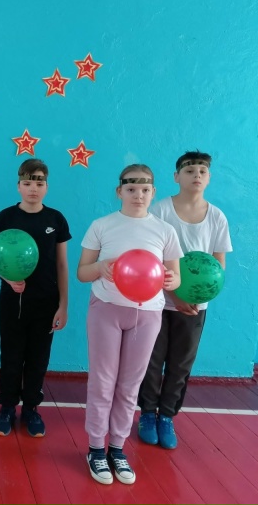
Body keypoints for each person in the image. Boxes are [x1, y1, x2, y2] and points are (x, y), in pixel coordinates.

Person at [77, 164, 183, 486]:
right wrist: (100, 267)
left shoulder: (165, 231)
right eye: (132, 188)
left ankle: (117, 447)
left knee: (130, 384)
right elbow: (82, 272)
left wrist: (171, 280)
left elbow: (175, 277)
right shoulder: (102, 225)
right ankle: (96, 448)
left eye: (145, 189)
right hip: (106, 309)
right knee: (103, 381)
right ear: (119, 191)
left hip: (147, 314)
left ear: (153, 192)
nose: (139, 195)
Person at [137, 152, 232, 449]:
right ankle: (147, 414)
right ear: (176, 177)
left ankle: (167, 416)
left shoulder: (217, 217)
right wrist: (174, 295)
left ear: (209, 178)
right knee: (152, 361)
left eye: (202, 171)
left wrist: (198, 296)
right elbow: (152, 259)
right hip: (158, 300)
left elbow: (218, 266)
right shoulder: (160, 211)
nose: (197, 175)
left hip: (194, 307)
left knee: (180, 364)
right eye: (190, 171)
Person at [0, 158, 71, 438]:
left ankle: (31, 409)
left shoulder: (56, 219)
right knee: (11, 355)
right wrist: (8, 279)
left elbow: (62, 264)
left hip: (46, 302)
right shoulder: (5, 218)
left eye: (39, 183)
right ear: (18, 186)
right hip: (12, 301)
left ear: (46, 186)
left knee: (38, 357)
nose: (33, 188)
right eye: (27, 183)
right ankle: (7, 408)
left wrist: (63, 305)